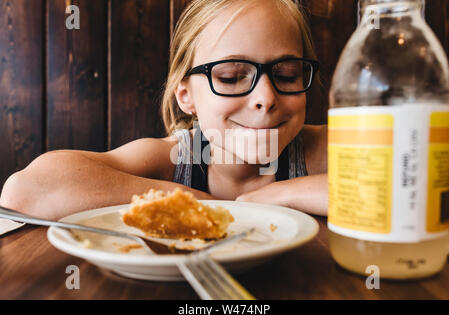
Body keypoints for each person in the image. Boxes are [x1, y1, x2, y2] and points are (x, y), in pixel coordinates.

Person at [0, 0, 328, 220]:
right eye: (231, 77)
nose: (266, 97)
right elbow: (26, 190)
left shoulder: (319, 151)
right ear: (186, 96)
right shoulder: (174, 158)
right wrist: (201, 204)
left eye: (287, 74)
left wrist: (279, 196)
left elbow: (382, 187)